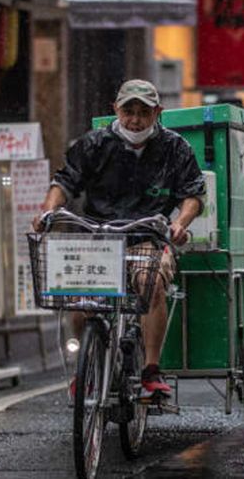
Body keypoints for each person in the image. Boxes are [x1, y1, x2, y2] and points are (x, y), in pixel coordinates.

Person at [34, 79, 206, 400]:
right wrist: (47, 211)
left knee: (151, 283)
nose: (135, 119)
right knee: (78, 295)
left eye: (144, 112)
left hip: (147, 237)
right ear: (116, 109)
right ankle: (88, 363)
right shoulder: (93, 144)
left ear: (158, 112)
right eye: (129, 111)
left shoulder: (175, 148)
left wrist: (181, 223)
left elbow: (192, 194)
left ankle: (151, 370)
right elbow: (65, 181)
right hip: (97, 237)